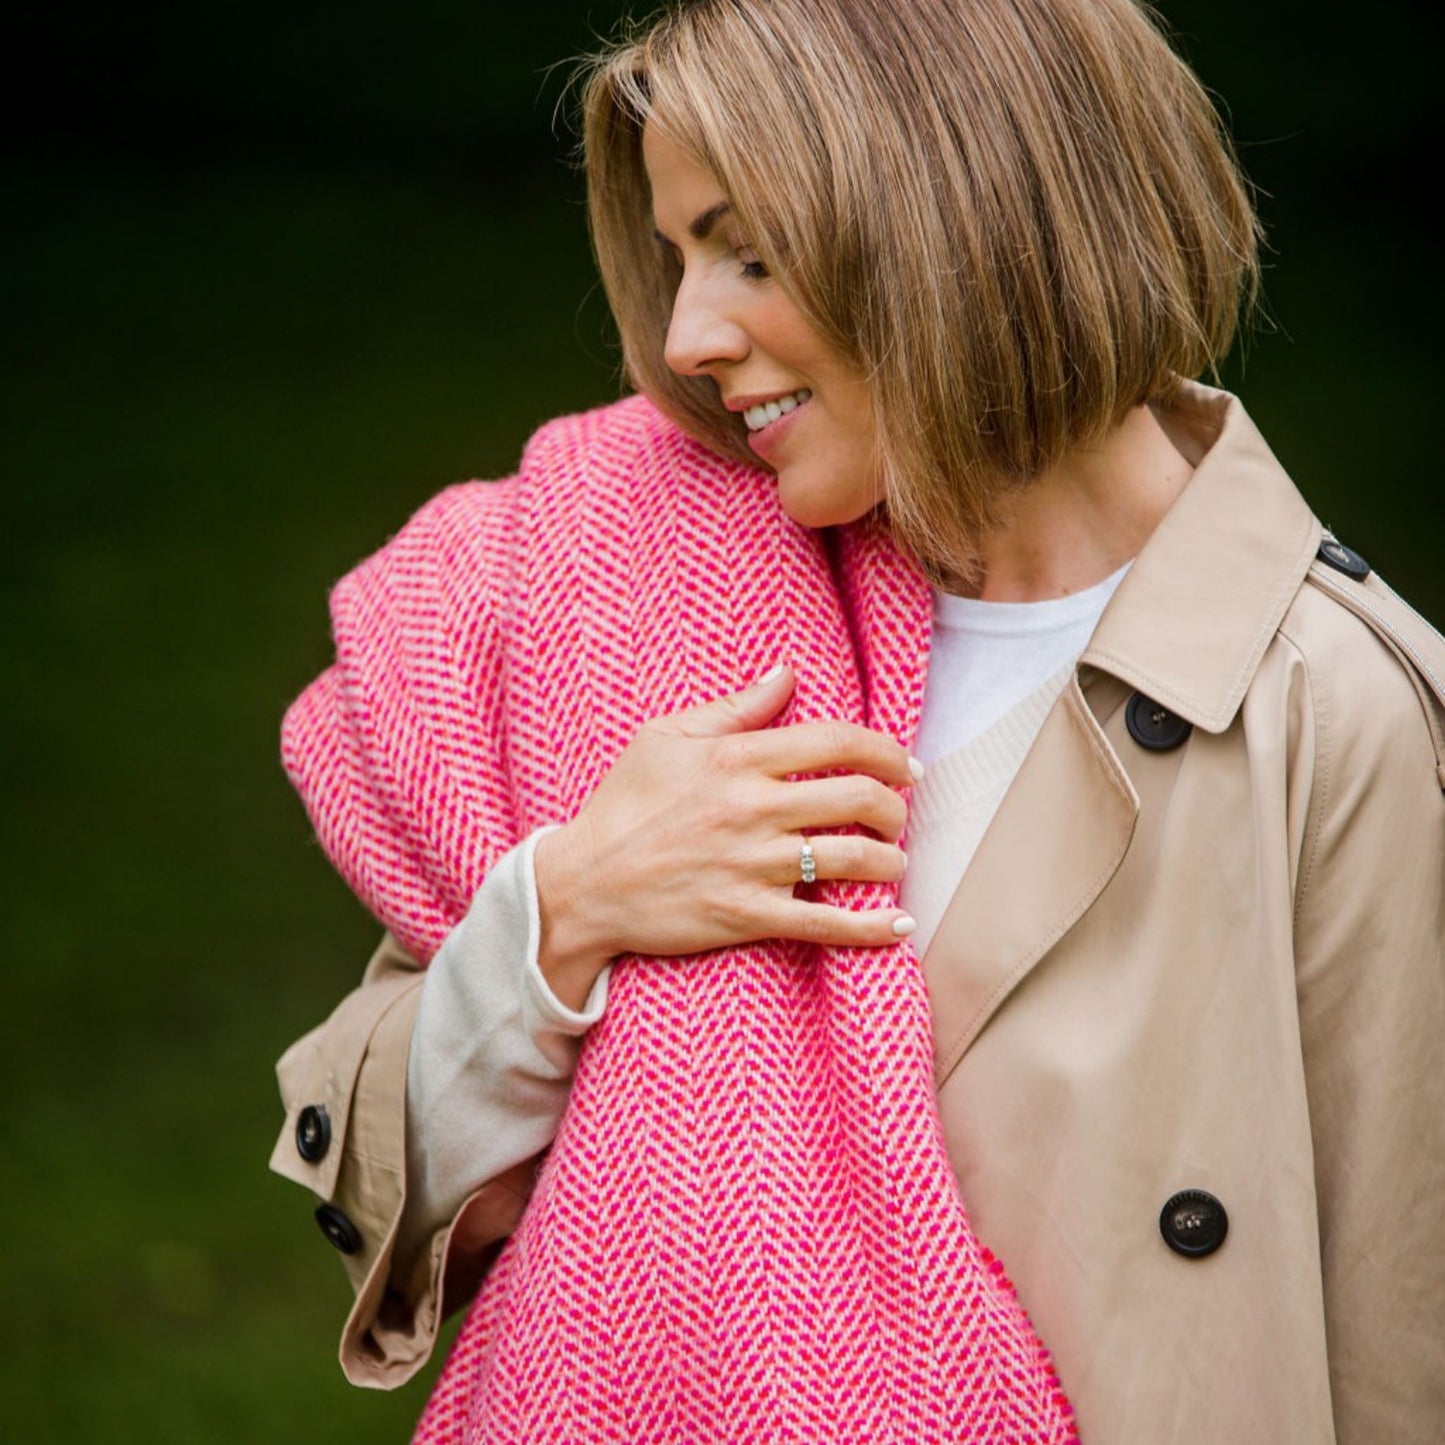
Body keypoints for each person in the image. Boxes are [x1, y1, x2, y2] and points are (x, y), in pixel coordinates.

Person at [270, 1, 1445, 1440]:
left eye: (747, 247)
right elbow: (389, 1173)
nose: (689, 334)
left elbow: (1403, 1345)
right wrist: (563, 913)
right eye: (677, 252)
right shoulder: (645, 588)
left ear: (964, 215)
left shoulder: (1335, 719)